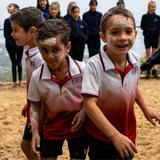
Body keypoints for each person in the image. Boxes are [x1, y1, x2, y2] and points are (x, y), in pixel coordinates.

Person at [81, 7, 160, 160]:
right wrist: (114, 136)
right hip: (101, 136)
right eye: (115, 32)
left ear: (136, 35)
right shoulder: (93, 65)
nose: (123, 37)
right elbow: (89, 104)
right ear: (103, 36)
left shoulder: (135, 60)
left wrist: (145, 108)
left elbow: (132, 87)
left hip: (128, 131)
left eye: (128, 32)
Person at [28, 19, 88, 160]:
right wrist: (36, 131)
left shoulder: (83, 70)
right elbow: (35, 104)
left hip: (78, 126)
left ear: (67, 47)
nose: (49, 56)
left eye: (55, 50)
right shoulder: (37, 76)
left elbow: (93, 96)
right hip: (51, 127)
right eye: (44, 50)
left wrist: (84, 112)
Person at [10, 7, 44, 159]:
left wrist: (37, 113)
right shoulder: (30, 52)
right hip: (34, 107)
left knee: (30, 146)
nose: (12, 34)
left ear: (32, 31)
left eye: (16, 30)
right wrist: (29, 103)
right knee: (28, 145)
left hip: (41, 112)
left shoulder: (40, 59)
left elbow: (45, 90)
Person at [4, 3, 23, 87]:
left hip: (20, 44)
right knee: (13, 63)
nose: (8, 8)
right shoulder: (6, 21)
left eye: (10, 6)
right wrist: (13, 44)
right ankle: (14, 82)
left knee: (19, 62)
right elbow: (6, 35)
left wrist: (19, 43)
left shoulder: (20, 21)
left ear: (15, 8)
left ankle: (20, 81)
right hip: (10, 45)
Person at [140, 0, 160, 78]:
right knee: (148, 53)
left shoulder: (158, 17)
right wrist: (149, 29)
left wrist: (156, 30)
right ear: (148, 7)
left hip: (155, 37)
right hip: (147, 37)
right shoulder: (144, 16)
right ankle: (148, 70)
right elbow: (142, 26)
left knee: (155, 54)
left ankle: (154, 71)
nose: (154, 8)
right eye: (152, 7)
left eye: (155, 7)